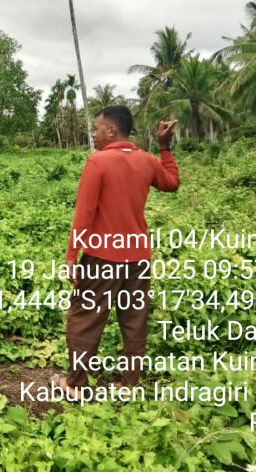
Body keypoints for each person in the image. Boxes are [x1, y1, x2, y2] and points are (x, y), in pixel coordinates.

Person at [53, 106, 179, 398]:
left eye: (96, 129)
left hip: (102, 258)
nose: (93, 134)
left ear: (111, 130)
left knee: (84, 318)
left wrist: (72, 256)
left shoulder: (98, 162)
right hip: (138, 258)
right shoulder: (147, 161)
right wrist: (164, 148)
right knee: (134, 320)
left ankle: (76, 385)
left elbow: (84, 214)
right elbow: (172, 183)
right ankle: (129, 384)